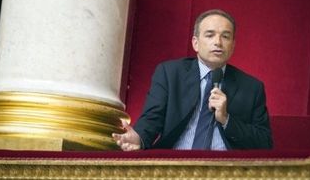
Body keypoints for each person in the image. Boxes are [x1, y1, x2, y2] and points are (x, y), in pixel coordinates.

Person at [112, 9, 273, 151]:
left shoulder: (252, 87)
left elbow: (264, 142)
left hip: (227, 171)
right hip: (176, 167)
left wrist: (226, 119)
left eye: (225, 36)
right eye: (210, 35)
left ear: (233, 46)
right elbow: (152, 118)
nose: (218, 42)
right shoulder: (170, 73)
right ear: (195, 43)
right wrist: (139, 138)